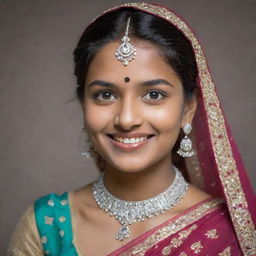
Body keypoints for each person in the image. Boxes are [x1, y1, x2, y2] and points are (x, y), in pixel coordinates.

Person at [7, 2, 256, 256]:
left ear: (188, 109)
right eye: (105, 95)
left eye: (154, 94)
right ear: (83, 103)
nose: (126, 120)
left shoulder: (231, 233)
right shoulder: (45, 226)